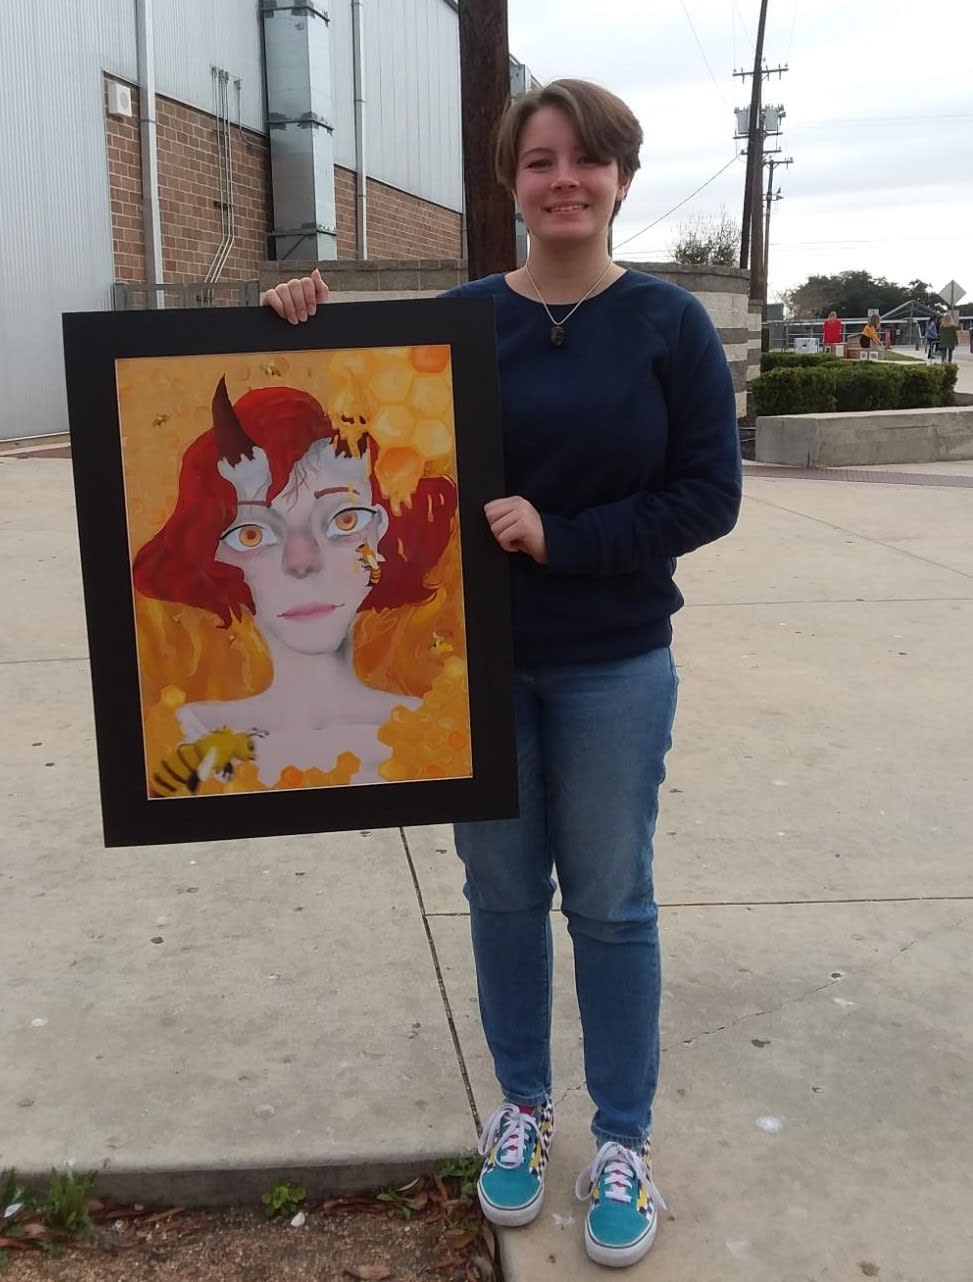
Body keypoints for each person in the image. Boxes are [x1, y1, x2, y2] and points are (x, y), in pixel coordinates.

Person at [262, 77, 741, 1269]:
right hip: (466, 665)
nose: (563, 180)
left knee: (612, 902)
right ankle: (521, 1108)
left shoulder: (668, 325)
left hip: (613, 662)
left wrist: (564, 538)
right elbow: (350, 419)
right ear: (510, 183)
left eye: (585, 159)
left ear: (620, 177)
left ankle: (621, 1137)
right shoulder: (460, 320)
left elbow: (707, 495)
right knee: (501, 893)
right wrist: (293, 322)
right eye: (539, 161)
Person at [133, 376, 458, 788]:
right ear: (217, 556)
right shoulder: (189, 742)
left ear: (381, 530)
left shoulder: (437, 736)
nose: (302, 563)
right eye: (254, 534)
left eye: (344, 520)